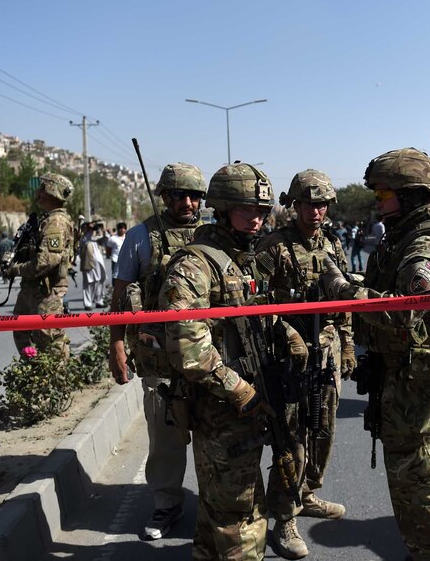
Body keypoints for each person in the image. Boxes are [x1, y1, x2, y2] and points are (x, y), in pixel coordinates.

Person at [320, 147, 430, 561]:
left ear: (409, 195)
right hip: (412, 373)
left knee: (415, 477)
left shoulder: (426, 243)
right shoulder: (406, 235)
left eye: (383, 194)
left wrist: (342, 289)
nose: (378, 201)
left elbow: (404, 312)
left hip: (418, 377)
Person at [158, 162, 306, 559]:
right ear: (222, 209)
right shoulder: (194, 265)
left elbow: (249, 313)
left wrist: (284, 330)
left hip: (246, 403)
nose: (257, 218)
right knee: (240, 517)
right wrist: (240, 390)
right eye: (247, 210)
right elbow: (189, 350)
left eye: (262, 210)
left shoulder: (242, 258)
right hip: (220, 409)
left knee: (214, 517)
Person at [255, 169, 354, 558]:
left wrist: (346, 344)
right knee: (291, 439)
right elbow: (254, 306)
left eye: (323, 204)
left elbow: (342, 296)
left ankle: (307, 493)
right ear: (294, 205)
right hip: (288, 359)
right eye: (310, 204)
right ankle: (283, 517)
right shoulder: (273, 246)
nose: (317, 211)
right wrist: (285, 331)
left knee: (323, 430)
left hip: (325, 352)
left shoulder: (332, 241)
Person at [108, 162, 206, 540]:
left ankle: (215, 504)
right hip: (159, 358)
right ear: (164, 196)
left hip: (208, 356)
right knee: (165, 438)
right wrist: (116, 345)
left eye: (194, 195)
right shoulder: (140, 236)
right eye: (179, 195)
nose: (187, 202)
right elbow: (120, 295)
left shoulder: (214, 235)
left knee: (215, 435)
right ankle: (166, 504)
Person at [4, 173, 75, 357]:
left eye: (43, 187)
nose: (39, 191)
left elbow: (46, 261)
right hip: (33, 289)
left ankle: (56, 381)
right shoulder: (46, 219)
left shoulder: (56, 222)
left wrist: (15, 270)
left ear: (51, 191)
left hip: (46, 293)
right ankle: (35, 374)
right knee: (22, 334)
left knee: (50, 342)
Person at [79, 222, 107, 310]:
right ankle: (88, 304)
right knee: (89, 283)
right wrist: (90, 228)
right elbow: (86, 239)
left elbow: (105, 239)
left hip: (99, 264)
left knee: (100, 281)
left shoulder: (95, 237)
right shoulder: (84, 238)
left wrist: (101, 229)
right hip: (88, 263)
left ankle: (99, 301)